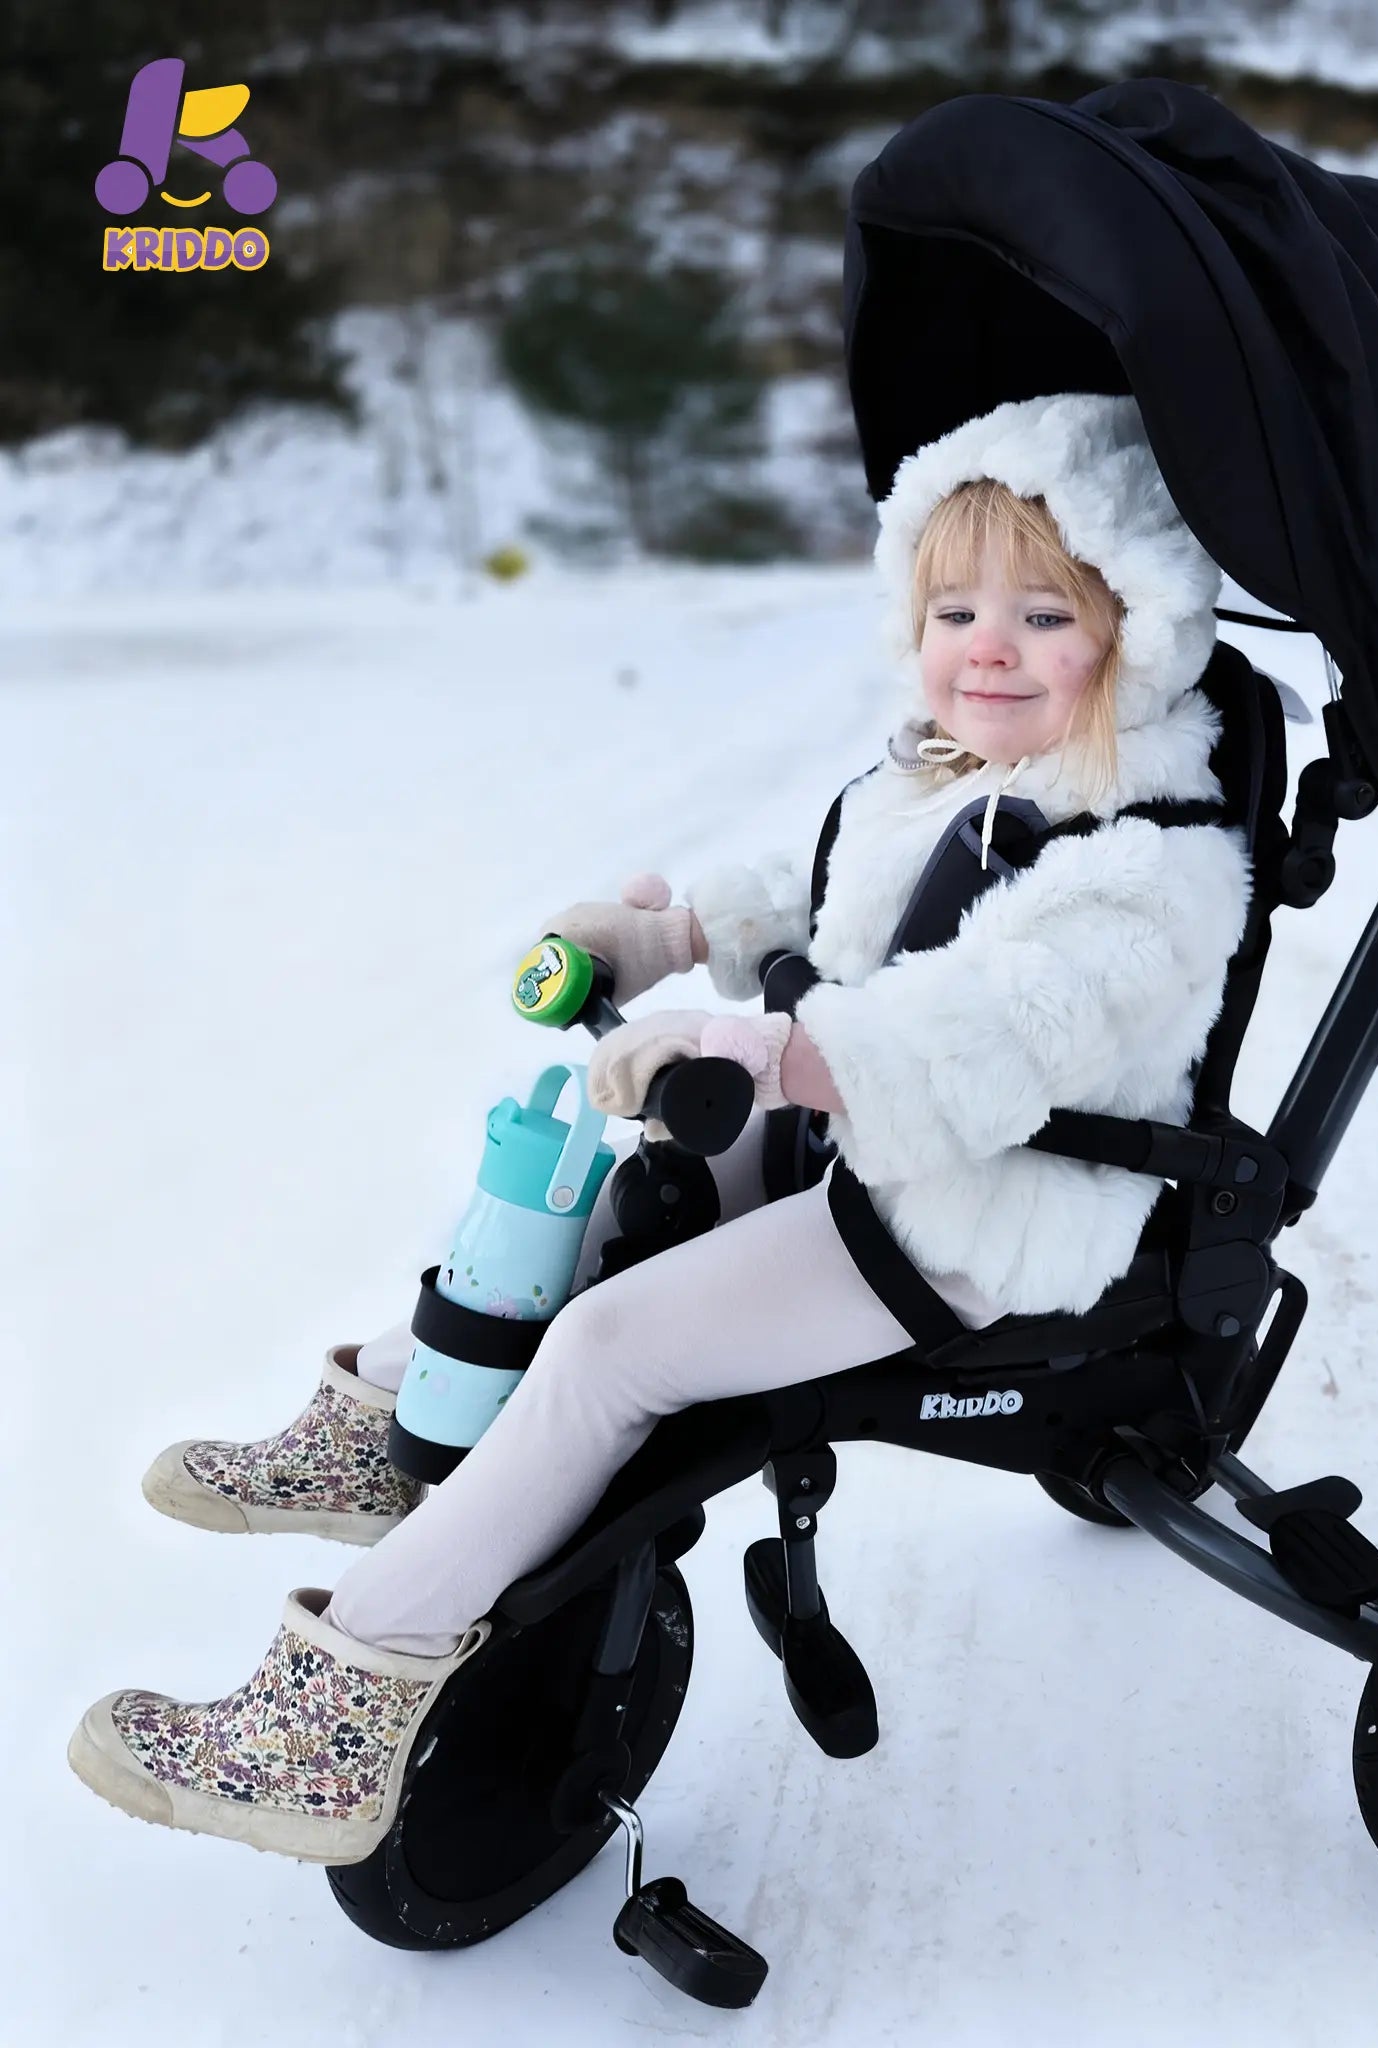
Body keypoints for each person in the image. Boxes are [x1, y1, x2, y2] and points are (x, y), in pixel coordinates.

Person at [67, 390, 1254, 1863]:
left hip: (974, 1218)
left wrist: (762, 1048)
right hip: (864, 1151)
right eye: (953, 610)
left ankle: (332, 1725)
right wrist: (664, 937)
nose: (986, 648)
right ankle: (398, 1413)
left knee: (616, 1353)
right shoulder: (952, 775)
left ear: (1133, 631)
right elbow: (826, 895)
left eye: (1043, 616)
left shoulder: (1149, 870)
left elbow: (984, 1038)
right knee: (617, 1201)